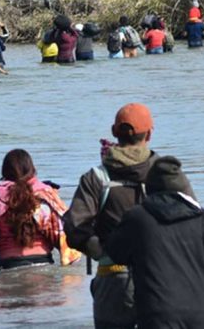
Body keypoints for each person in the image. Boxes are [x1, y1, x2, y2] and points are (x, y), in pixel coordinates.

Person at [104, 156, 204, 329]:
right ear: (184, 189)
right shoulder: (202, 218)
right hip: (200, 315)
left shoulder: (136, 218)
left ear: (149, 188)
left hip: (156, 315)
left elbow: (115, 253)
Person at [63, 103, 160, 329]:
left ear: (114, 132)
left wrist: (100, 251)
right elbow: (190, 219)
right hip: (160, 280)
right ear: (150, 134)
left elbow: (74, 226)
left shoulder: (96, 178)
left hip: (112, 280)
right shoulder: (164, 173)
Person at [0, 149, 81, 269]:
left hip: (9, 266)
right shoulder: (44, 194)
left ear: (4, 172)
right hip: (43, 265)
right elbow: (66, 236)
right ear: (32, 169)